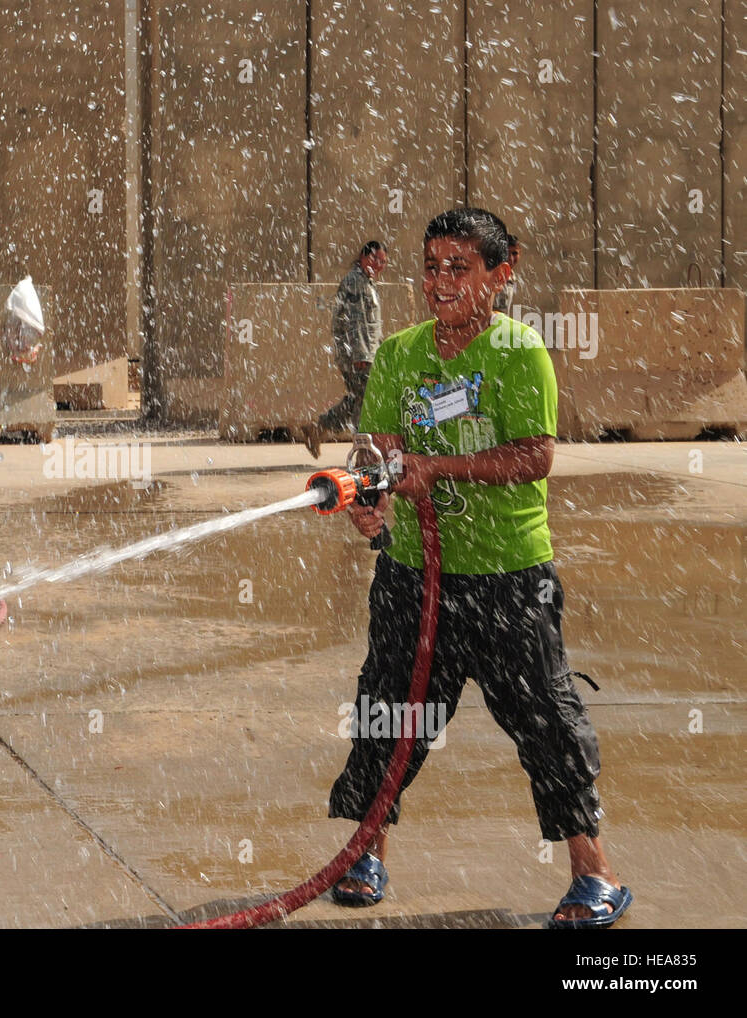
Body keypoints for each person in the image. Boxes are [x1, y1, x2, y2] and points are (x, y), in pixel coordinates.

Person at [328, 208, 632, 928]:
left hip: (508, 581)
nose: (439, 282)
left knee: (546, 724)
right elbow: (374, 451)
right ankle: (366, 851)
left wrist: (438, 466)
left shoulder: (518, 353)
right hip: (413, 578)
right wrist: (367, 500)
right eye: (431, 266)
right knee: (387, 715)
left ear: (501, 272)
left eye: (458, 268)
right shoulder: (401, 356)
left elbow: (534, 455)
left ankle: (594, 874)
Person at [304, 240, 388, 458]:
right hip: (358, 355)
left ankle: (320, 428)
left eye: (383, 262)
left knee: (358, 398)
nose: (379, 265)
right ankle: (362, 453)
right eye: (376, 259)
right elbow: (356, 323)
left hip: (364, 354)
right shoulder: (356, 283)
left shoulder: (365, 282)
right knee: (367, 402)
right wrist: (361, 355)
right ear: (363, 256)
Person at [492, 234, 520, 313]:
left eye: (514, 253)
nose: (510, 258)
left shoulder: (513, 277)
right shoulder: (493, 276)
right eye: (506, 253)